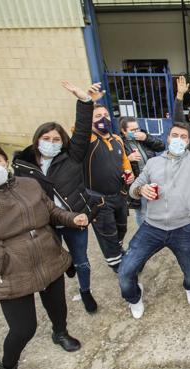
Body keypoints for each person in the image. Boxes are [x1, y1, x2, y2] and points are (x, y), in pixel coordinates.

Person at [0, 140, 89, 369]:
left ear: (5, 161)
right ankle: (8, 367)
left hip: (47, 254)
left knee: (58, 308)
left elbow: (50, 211)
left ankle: (60, 333)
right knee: (23, 328)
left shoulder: (28, 184)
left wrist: (72, 218)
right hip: (8, 265)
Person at [119, 80, 190, 318]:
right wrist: (141, 191)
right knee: (125, 272)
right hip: (151, 227)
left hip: (183, 228)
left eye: (183, 137)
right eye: (175, 135)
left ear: (187, 141)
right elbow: (134, 187)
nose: (179, 139)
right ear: (167, 137)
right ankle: (134, 297)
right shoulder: (153, 162)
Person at [12, 81, 104, 313]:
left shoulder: (71, 156)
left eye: (56, 140)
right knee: (53, 262)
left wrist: (85, 101)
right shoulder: (23, 164)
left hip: (74, 220)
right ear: (37, 140)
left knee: (81, 260)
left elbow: (83, 131)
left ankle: (85, 292)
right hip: (46, 224)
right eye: (46, 138)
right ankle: (67, 265)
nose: (51, 143)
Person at [84, 103, 134, 271]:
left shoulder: (117, 139)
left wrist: (128, 172)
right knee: (107, 233)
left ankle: (118, 250)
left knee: (122, 227)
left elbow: (124, 161)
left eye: (105, 114)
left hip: (119, 195)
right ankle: (117, 264)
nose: (103, 118)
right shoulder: (88, 139)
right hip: (99, 200)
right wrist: (86, 102)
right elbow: (80, 128)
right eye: (98, 116)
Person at [119, 116, 165, 226]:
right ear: (123, 131)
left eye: (137, 129)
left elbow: (161, 146)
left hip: (153, 178)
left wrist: (146, 138)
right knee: (142, 211)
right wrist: (128, 159)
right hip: (137, 182)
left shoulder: (144, 137)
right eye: (132, 130)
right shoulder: (120, 143)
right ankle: (144, 232)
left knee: (159, 206)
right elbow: (113, 163)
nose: (136, 132)